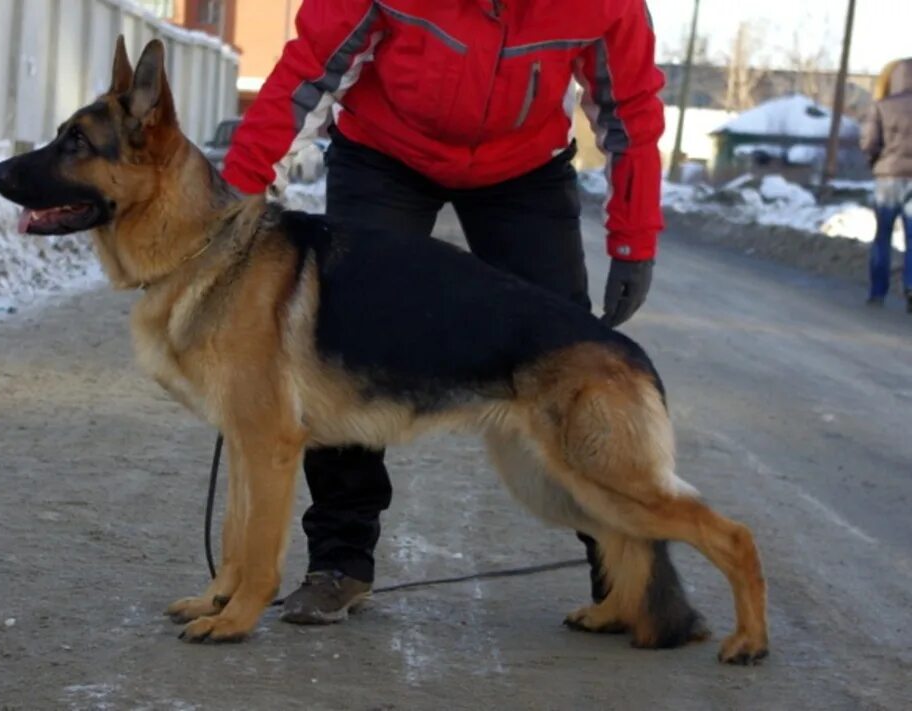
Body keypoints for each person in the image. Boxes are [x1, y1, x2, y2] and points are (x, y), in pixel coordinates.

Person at [222, 0, 666, 623]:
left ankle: (620, 561)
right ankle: (340, 560)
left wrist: (634, 239)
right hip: (386, 154)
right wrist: (241, 186)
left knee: (568, 355)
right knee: (341, 341)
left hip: (523, 167)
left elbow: (632, 112)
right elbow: (307, 69)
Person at [861, 57, 912, 312]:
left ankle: (877, 293)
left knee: (883, 236)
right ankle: (911, 288)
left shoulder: (882, 106)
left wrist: (876, 165)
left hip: (888, 179)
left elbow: (869, 142)